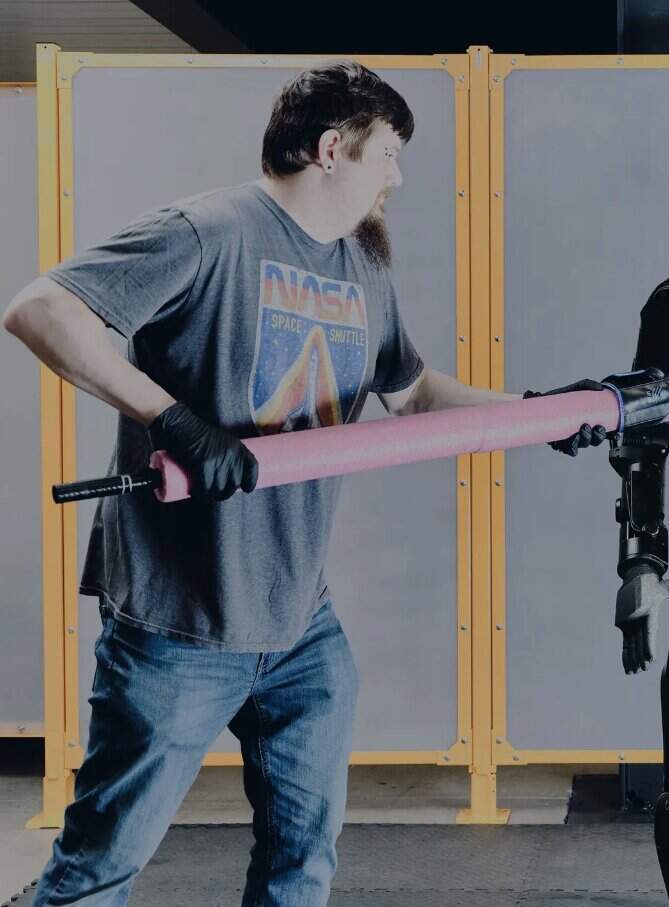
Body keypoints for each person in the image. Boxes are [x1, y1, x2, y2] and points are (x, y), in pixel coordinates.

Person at [2, 60, 522, 907]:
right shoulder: (210, 231)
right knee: (96, 872)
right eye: (387, 153)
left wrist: (547, 414)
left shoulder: (362, 268)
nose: (395, 177)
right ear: (331, 149)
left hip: (298, 621)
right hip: (179, 619)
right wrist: (172, 420)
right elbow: (40, 310)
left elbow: (417, 395)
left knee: (302, 862)